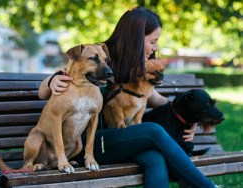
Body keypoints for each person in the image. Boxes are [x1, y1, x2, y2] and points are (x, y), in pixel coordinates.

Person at [38, 6, 220, 188]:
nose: (156, 47)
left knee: (155, 158)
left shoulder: (136, 66)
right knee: (152, 130)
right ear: (137, 38)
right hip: (83, 145)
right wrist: (52, 80)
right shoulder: (98, 56)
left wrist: (189, 120)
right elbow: (49, 86)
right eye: (153, 41)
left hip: (116, 141)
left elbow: (158, 100)